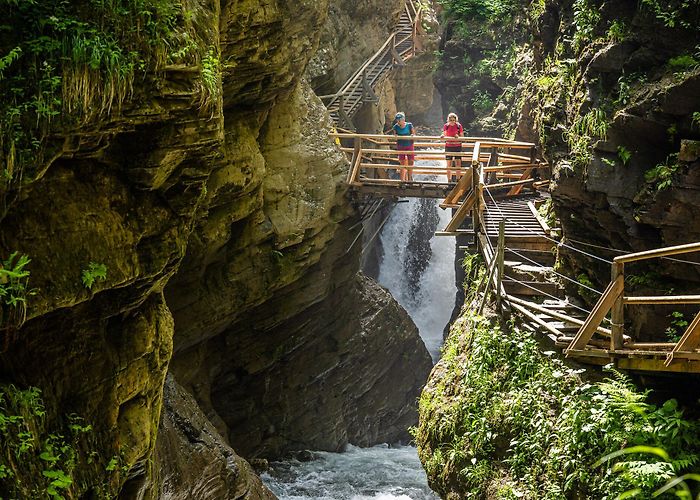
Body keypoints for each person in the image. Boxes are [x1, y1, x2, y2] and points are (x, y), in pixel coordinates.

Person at [391, 112, 415, 182]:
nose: (398, 121)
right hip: (401, 145)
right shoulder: (395, 126)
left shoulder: (409, 125)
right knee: (402, 163)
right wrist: (395, 136)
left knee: (411, 162)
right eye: (397, 120)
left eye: (399, 120)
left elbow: (413, 133)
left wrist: (412, 136)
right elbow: (395, 135)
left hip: (409, 145)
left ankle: (410, 178)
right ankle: (402, 180)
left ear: (403, 119)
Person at [441, 112, 463, 181]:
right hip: (448, 146)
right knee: (448, 164)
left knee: (458, 164)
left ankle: (458, 180)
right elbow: (444, 134)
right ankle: (449, 180)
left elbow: (462, 136)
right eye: (451, 120)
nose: (452, 122)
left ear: (456, 120)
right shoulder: (446, 126)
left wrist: (458, 136)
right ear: (448, 120)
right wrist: (443, 136)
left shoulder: (458, 126)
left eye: (453, 120)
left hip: (457, 146)